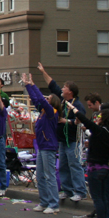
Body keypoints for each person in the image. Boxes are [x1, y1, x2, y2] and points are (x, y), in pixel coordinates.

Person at [37, 62, 87, 201]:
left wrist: (67, 121)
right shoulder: (62, 101)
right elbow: (52, 84)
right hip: (62, 140)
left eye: (65, 87)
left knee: (74, 165)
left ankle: (80, 191)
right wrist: (43, 71)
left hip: (72, 140)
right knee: (63, 166)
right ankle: (67, 190)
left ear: (70, 91)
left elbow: (81, 121)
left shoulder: (77, 105)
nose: (62, 89)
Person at [67, 102, 109, 218]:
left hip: (95, 168)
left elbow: (85, 121)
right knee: (104, 197)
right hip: (105, 167)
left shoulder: (99, 131)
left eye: (100, 117)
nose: (97, 118)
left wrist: (74, 109)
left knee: (97, 198)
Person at [22, 73, 61, 214]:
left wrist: (33, 85)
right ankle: (44, 201)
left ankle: (54, 204)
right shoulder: (43, 112)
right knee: (40, 176)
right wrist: (28, 85)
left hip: (48, 147)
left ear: (53, 102)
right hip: (42, 146)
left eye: (49, 98)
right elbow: (35, 99)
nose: (46, 99)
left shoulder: (51, 112)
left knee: (49, 176)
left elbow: (41, 99)